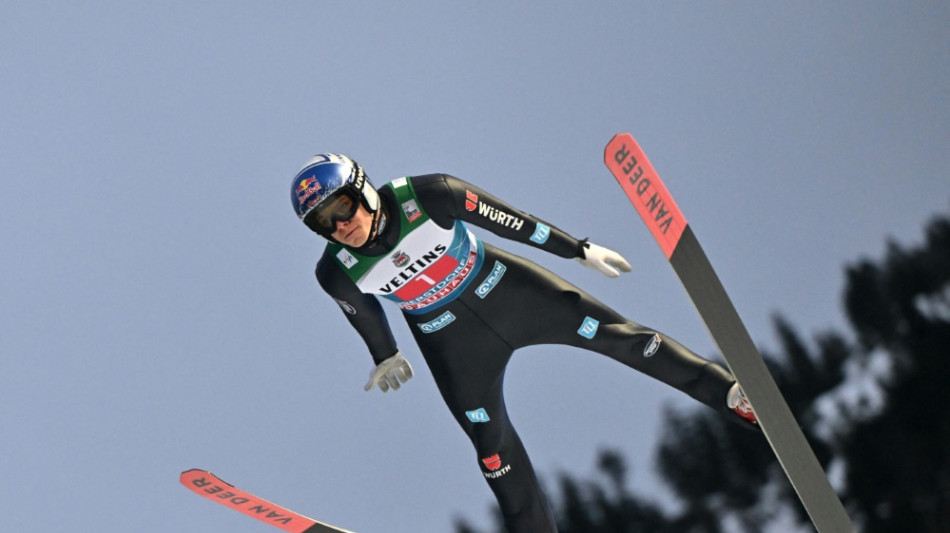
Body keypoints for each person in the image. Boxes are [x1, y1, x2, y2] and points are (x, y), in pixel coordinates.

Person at [291, 153, 757, 533]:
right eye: (324, 224)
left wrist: (577, 249)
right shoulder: (335, 272)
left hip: (512, 292)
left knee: (624, 339)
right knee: (492, 451)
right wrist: (385, 354)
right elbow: (363, 312)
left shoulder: (430, 194)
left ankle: (732, 396)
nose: (340, 226)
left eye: (343, 208)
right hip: (453, 344)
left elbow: (513, 223)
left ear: (365, 189)